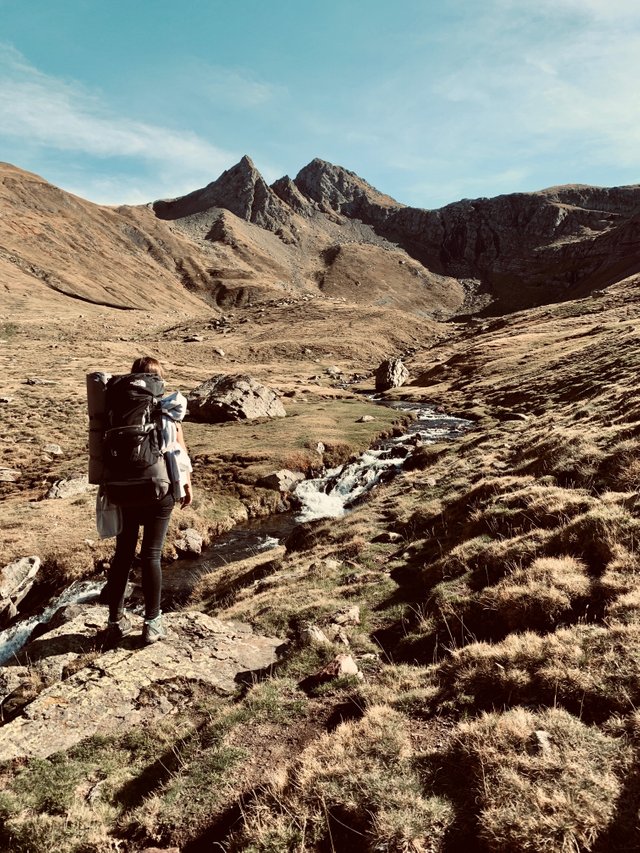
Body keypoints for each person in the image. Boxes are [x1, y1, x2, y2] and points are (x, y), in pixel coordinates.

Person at [103, 356, 192, 645]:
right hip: (156, 489)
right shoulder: (165, 406)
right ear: (158, 379)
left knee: (123, 555)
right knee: (151, 555)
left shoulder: (115, 408)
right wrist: (185, 484)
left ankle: (113, 623)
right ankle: (152, 623)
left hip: (121, 490)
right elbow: (176, 450)